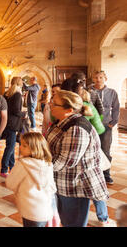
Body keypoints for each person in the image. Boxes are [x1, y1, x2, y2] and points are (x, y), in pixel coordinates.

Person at [46, 90, 109, 227]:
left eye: (54, 103)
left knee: (73, 223)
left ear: (68, 110)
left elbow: (65, 161)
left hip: (74, 187)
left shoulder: (76, 129)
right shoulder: (61, 121)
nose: (50, 105)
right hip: (62, 183)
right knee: (65, 220)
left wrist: (37, 166)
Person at [61, 78, 113, 226]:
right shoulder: (89, 107)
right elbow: (101, 128)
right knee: (95, 186)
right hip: (87, 157)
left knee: (77, 191)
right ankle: (103, 218)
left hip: (71, 155)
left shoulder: (64, 109)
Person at [6, 132, 56, 227]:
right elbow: (52, 187)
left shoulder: (23, 164)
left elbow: (10, 183)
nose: (20, 147)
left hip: (30, 210)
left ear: (34, 149)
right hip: (45, 209)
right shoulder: (48, 164)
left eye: (24, 146)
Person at [90, 71, 120, 185]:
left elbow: (116, 108)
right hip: (92, 125)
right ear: (93, 78)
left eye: (101, 77)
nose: (98, 80)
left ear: (105, 78)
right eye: (96, 77)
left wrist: (113, 123)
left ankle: (106, 174)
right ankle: (93, 174)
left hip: (106, 126)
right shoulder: (89, 92)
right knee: (92, 149)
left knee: (105, 150)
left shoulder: (112, 93)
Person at [0, 76, 23, 177]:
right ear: (20, 83)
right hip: (13, 123)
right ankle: (4, 169)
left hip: (6, 122)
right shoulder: (17, 94)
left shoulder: (6, 93)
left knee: (11, 146)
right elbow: (16, 111)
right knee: (10, 147)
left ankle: (12, 167)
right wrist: (24, 114)